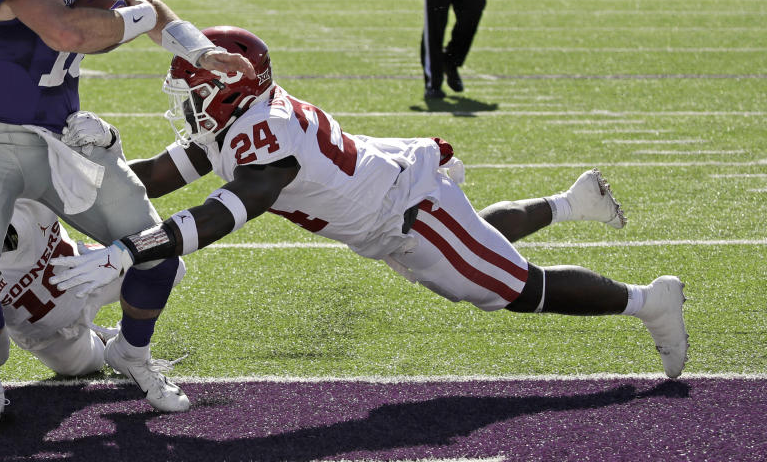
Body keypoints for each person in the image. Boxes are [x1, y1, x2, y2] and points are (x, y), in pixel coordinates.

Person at [48, 26, 689, 385]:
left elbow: (221, 216)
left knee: (511, 287)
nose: (180, 98)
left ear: (228, 87)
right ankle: (568, 203)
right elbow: (156, 178)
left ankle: (646, 301)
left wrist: (131, 250)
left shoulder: (262, 137)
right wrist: (88, 166)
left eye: (190, 85)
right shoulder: (233, 124)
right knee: (475, 255)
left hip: (407, 211)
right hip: (391, 203)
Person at [0, 0, 254, 442]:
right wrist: (129, 20)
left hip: (65, 135)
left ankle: (132, 354)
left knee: (156, 249)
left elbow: (142, 0)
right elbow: (68, 31)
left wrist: (197, 48)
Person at [0, 163, 186, 378]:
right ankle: (106, 342)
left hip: (84, 272)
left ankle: (125, 342)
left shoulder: (22, 193)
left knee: (168, 268)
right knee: (87, 367)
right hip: (49, 334)